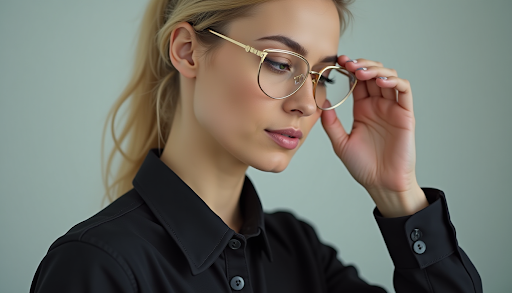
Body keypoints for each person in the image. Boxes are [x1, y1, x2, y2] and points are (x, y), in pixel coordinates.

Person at [30, 0, 482, 292]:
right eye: (282, 63)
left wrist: (398, 195)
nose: (308, 103)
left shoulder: (301, 252)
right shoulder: (98, 266)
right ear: (187, 51)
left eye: (323, 77)